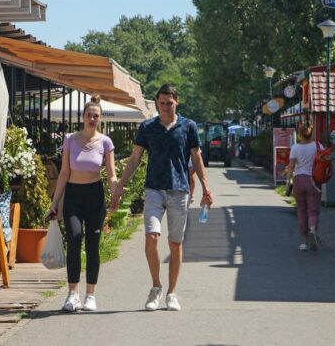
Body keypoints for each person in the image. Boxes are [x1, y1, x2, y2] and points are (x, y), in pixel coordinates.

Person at [110, 83, 213, 311]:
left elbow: (196, 158)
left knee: (175, 244)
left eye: (170, 102)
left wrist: (206, 188)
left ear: (177, 101)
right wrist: (120, 185)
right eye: (162, 103)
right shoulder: (147, 127)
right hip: (154, 189)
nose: (166, 107)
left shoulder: (189, 127)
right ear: (157, 102)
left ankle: (172, 293)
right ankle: (156, 287)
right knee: (152, 237)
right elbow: (135, 158)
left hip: (179, 190)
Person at [49, 95, 117, 312]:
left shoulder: (106, 142)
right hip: (74, 196)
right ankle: (72, 294)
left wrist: (117, 191)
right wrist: (55, 201)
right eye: (89, 115)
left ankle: (90, 295)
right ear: (82, 117)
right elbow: (64, 173)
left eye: (96, 116)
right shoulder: (70, 139)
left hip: (94, 196)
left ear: (100, 119)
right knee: (75, 239)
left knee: (93, 245)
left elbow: (112, 175)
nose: (92, 119)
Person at [285, 121, 321, 251]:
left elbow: (291, 166)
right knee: (313, 210)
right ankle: (312, 230)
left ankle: (304, 242)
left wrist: (288, 182)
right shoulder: (317, 146)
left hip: (299, 180)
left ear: (299, 134)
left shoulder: (295, 147)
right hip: (313, 181)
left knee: (301, 211)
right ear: (311, 133)